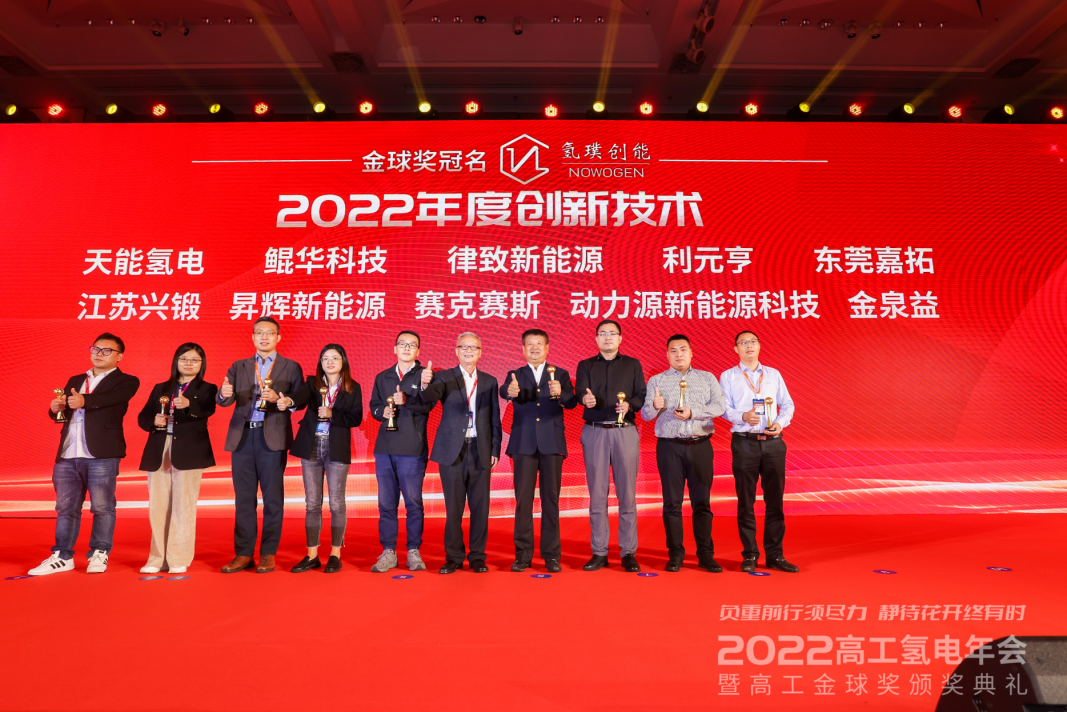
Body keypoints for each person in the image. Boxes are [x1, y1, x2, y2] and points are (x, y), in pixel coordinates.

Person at [31, 333, 139, 576]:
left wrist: (83, 400)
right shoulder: (76, 379)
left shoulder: (127, 381)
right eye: (95, 349)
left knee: (102, 507)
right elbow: (65, 412)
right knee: (65, 507)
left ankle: (100, 552)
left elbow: (111, 398)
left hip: (102, 454)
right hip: (69, 453)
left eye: (107, 351)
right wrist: (55, 409)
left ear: (119, 356)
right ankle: (62, 556)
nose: (99, 354)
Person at [217, 316, 305, 574]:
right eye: (259, 332)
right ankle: (244, 553)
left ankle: (268, 553)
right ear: (253, 337)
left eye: (269, 333)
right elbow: (224, 399)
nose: (264, 337)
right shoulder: (239, 366)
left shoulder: (290, 366)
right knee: (243, 499)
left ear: (278, 337)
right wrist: (223, 394)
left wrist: (282, 399)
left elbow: (300, 398)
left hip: (272, 438)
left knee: (273, 499)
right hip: (242, 437)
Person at [640, 334, 725, 573]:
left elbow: (720, 406)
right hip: (670, 447)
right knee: (672, 503)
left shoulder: (707, 378)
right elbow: (645, 415)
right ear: (667, 354)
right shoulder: (657, 380)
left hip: (701, 445)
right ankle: (675, 554)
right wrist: (654, 407)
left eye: (683, 349)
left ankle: (705, 555)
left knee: (702, 503)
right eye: (673, 350)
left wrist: (693, 412)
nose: (679, 354)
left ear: (691, 353)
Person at [417, 332, 501, 574]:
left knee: (480, 508)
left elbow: (494, 418)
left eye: (474, 347)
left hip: (480, 449)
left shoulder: (489, 381)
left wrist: (495, 449)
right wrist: (424, 383)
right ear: (456, 351)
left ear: (480, 352)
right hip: (452, 450)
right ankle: (453, 557)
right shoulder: (444, 376)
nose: (468, 351)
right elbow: (429, 396)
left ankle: (477, 557)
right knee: (453, 508)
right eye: (464, 347)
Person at [719, 330, 798, 573]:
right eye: (743, 343)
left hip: (773, 443)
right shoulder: (728, 376)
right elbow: (724, 408)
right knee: (746, 501)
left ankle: (775, 555)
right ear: (736, 349)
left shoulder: (773, 374)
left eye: (752, 342)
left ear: (759, 346)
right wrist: (743, 416)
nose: (749, 346)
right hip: (745, 442)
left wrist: (780, 423)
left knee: (775, 501)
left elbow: (788, 404)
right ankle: (750, 554)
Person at [499, 328, 576, 573]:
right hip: (523, 443)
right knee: (523, 501)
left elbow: (572, 402)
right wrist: (508, 392)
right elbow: (504, 390)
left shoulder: (560, 374)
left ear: (547, 348)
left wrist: (561, 394)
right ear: (523, 349)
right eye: (529, 344)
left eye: (539, 343)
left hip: (551, 442)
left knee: (551, 500)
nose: (534, 347)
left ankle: (551, 556)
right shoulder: (515, 374)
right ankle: (522, 556)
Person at [136, 342, 217, 575]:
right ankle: (157, 558)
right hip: (159, 447)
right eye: (184, 359)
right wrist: (153, 421)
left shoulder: (207, 388)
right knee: (158, 505)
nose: (189, 363)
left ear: (201, 364)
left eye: (194, 360)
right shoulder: (161, 387)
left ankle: (178, 557)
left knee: (183, 505)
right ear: (176, 361)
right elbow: (143, 417)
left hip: (190, 451)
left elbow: (208, 410)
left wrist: (190, 405)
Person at [575, 319, 646, 573]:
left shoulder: (632, 364)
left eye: (612, 333)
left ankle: (628, 552)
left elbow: (641, 394)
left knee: (627, 494)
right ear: (596, 338)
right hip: (595, 432)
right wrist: (585, 399)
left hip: (625, 431)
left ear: (620, 338)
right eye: (603, 333)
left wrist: (630, 405)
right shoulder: (585, 365)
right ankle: (599, 551)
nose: (607, 337)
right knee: (597, 495)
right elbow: (578, 392)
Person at [288, 344, 362, 574]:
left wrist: (332, 414)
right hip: (311, 446)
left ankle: (335, 554)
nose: (329, 362)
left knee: (337, 503)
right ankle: (311, 555)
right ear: (320, 362)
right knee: (312, 503)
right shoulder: (312, 383)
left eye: (335, 358)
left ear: (343, 362)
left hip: (336, 447)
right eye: (325, 358)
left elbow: (356, 418)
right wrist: (289, 401)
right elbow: (299, 398)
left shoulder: (352, 387)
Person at [368, 331, 434, 573]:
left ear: (418, 351)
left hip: (412, 449)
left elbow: (428, 405)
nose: (407, 348)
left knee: (413, 504)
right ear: (394, 348)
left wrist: (411, 396)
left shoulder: (426, 376)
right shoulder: (383, 376)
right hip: (384, 448)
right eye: (402, 344)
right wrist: (382, 412)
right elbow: (374, 406)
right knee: (386, 504)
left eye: (412, 345)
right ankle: (388, 551)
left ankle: (414, 550)